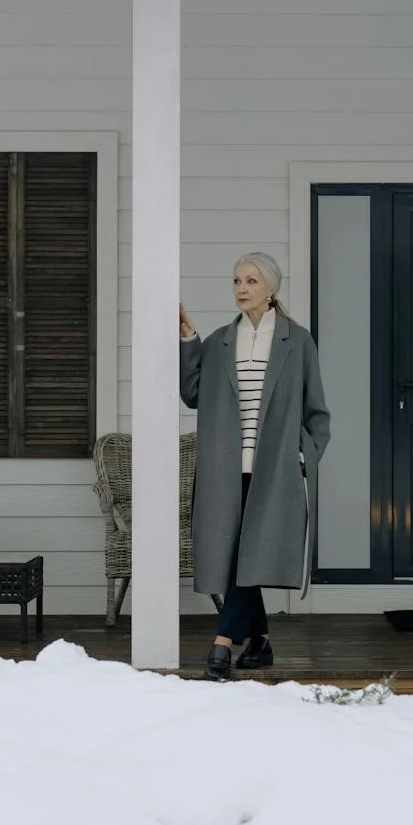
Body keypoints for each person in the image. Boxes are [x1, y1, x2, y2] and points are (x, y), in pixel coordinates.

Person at [180, 252, 331, 681]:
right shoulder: (217, 343)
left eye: (250, 281)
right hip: (225, 468)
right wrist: (189, 340)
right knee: (234, 557)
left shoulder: (296, 341)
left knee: (250, 555)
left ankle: (222, 643)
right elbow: (193, 393)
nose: (241, 289)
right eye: (236, 281)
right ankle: (259, 642)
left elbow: (317, 411)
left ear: (270, 288)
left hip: (275, 469)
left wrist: (306, 455)